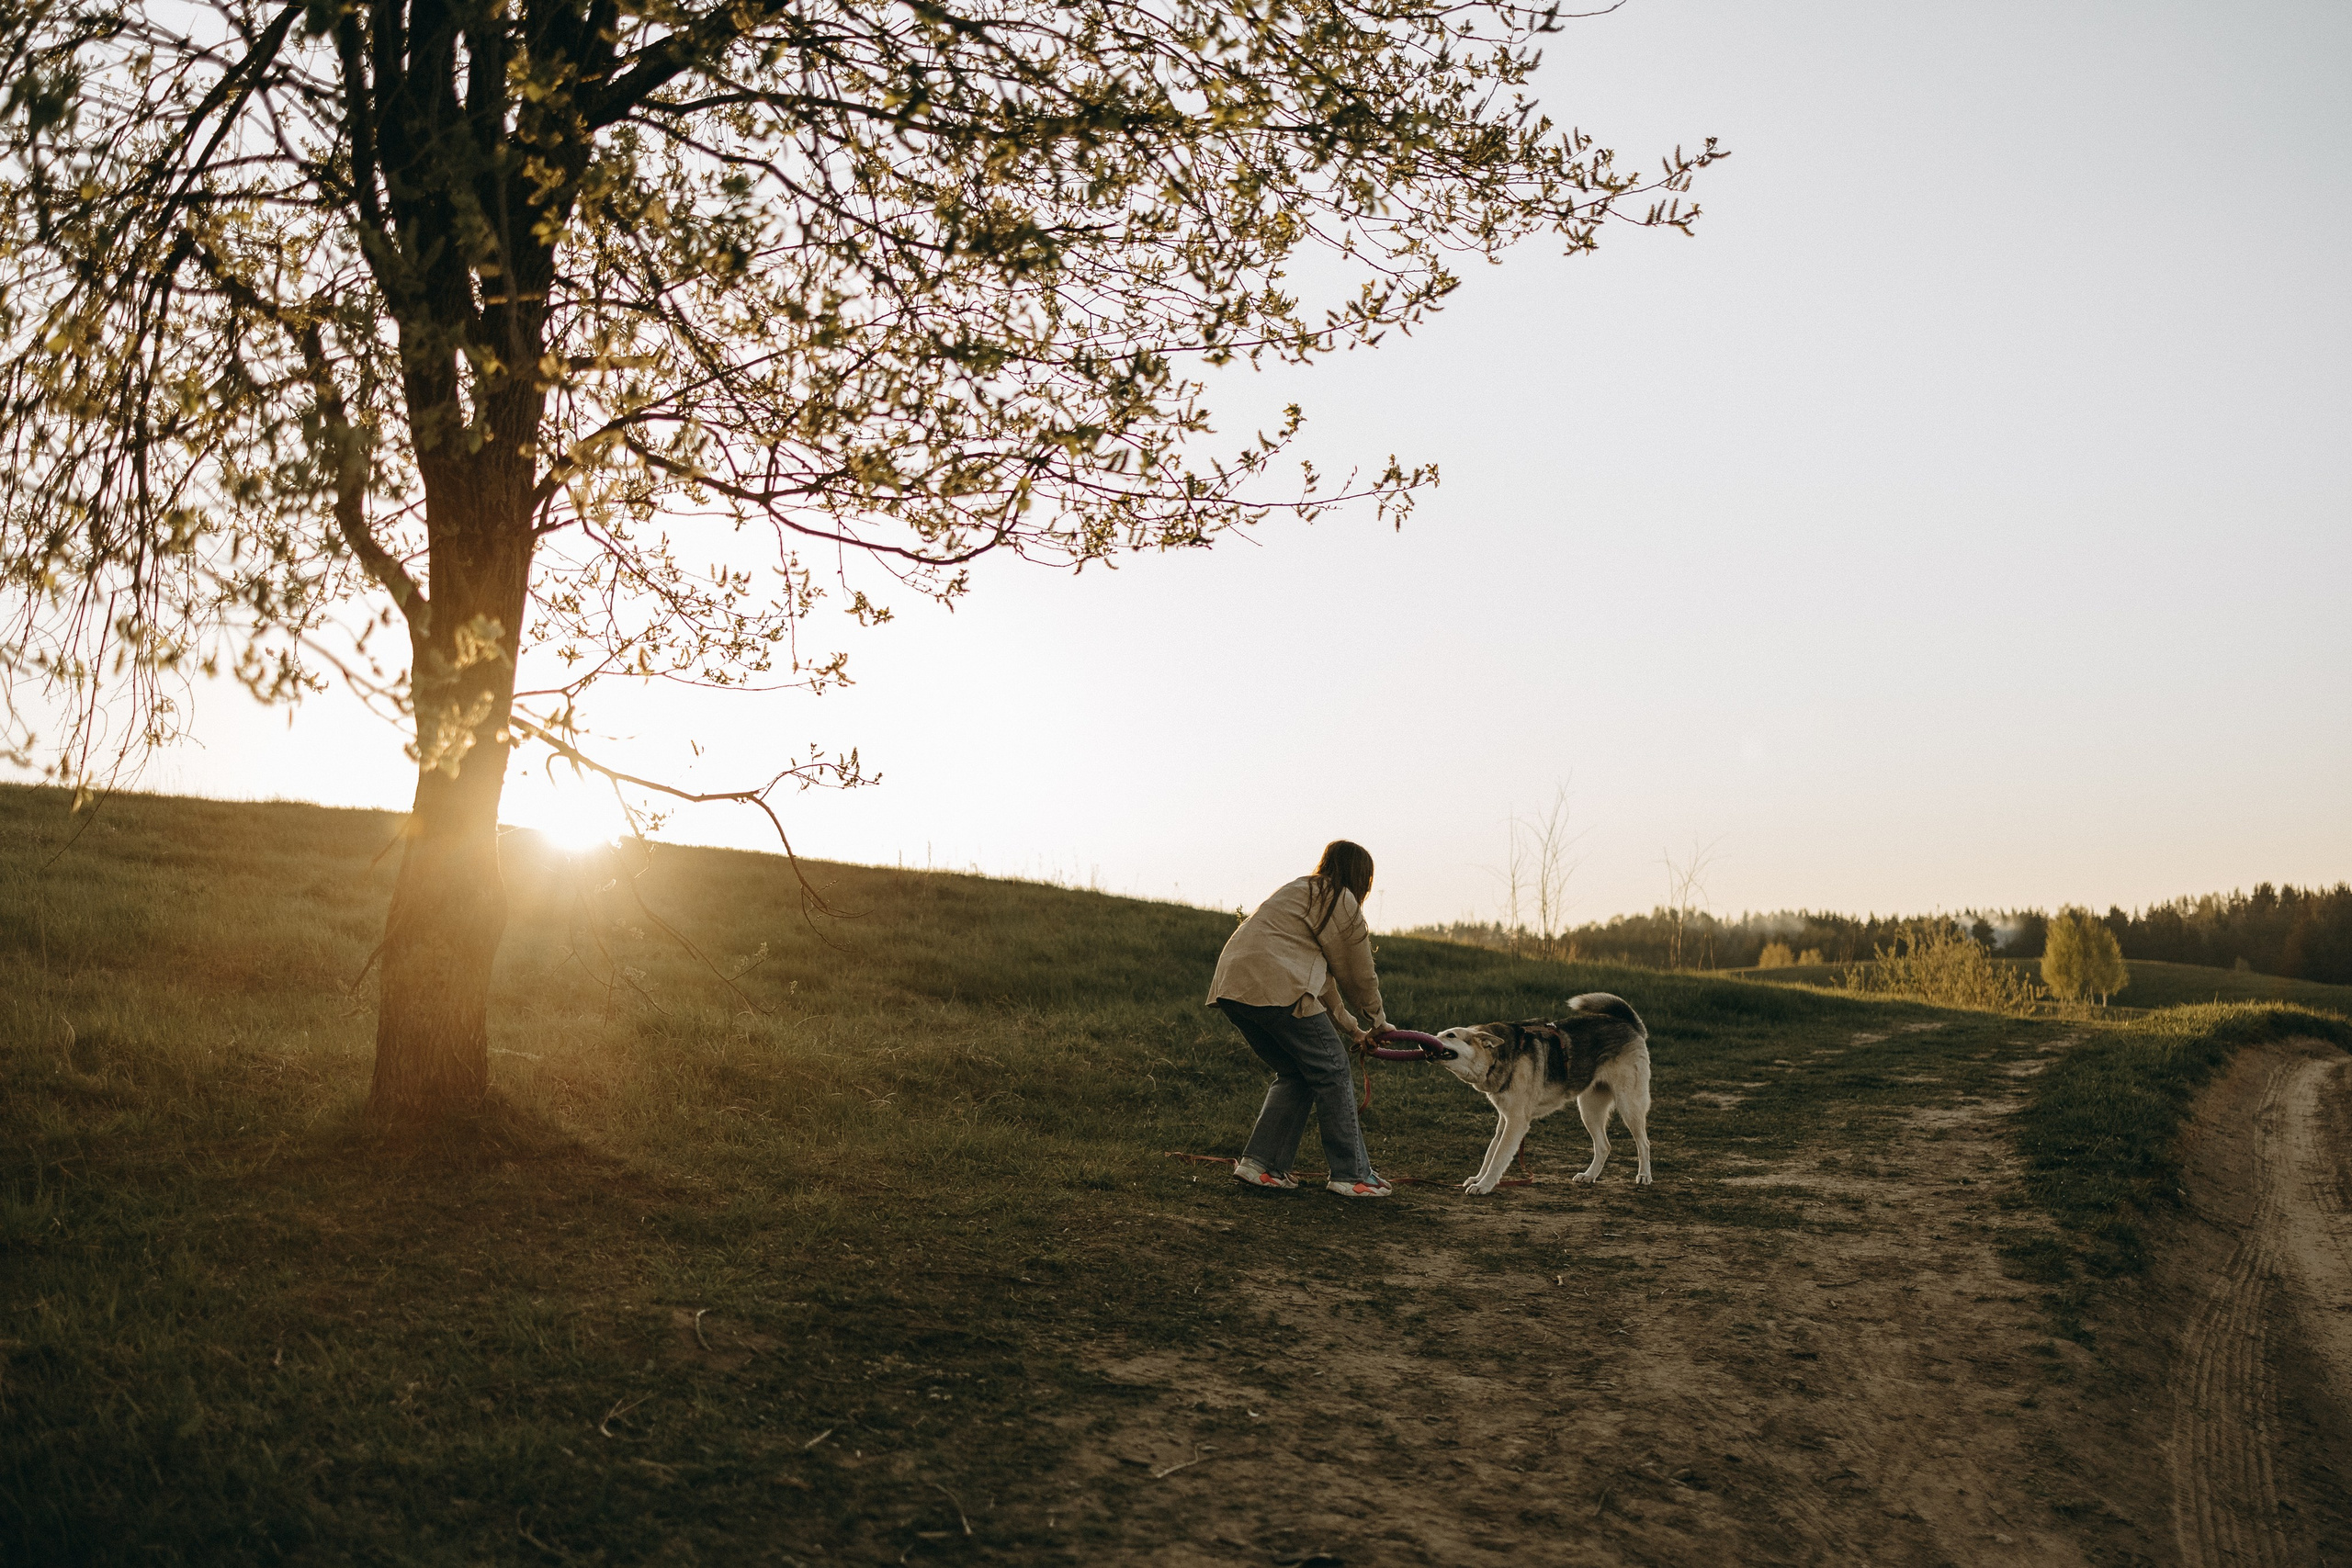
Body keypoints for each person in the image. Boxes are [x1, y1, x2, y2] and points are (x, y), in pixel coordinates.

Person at [1206, 840, 1393, 1198]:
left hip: (1234, 987)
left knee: (1298, 1071)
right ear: (1361, 877)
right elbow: (1358, 972)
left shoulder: (1301, 891)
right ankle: (1351, 1175)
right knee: (1333, 1069)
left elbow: (1321, 982)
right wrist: (1378, 1020)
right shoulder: (1340, 898)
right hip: (1277, 986)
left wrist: (1354, 1029)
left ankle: (1260, 1166)